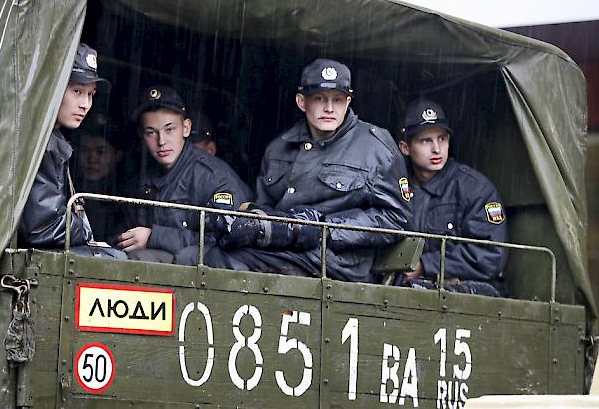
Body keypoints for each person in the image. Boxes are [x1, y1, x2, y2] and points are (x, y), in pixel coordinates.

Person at [204, 58, 412, 282]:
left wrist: (326, 230)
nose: (329, 108)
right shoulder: (280, 148)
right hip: (285, 250)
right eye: (320, 98)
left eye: (338, 99)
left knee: (222, 261)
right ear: (302, 102)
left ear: (348, 102)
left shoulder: (376, 146)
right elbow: (264, 207)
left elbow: (397, 218)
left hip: (338, 261)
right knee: (216, 252)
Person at [114, 85, 253, 263]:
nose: (161, 141)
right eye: (151, 132)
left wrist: (154, 237)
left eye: (169, 129)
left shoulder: (213, 178)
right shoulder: (141, 178)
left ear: (186, 128)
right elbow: (124, 231)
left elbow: (228, 239)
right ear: (141, 135)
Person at [18, 43, 126, 259]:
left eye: (90, 94)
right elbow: (40, 227)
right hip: (31, 254)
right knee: (117, 260)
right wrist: (86, 232)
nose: (85, 104)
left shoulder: (51, 135)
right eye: (77, 91)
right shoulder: (40, 141)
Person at [396, 98, 508, 296]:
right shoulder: (396, 186)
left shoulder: (475, 188)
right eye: (425, 141)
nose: (437, 149)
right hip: (411, 290)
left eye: (442, 138)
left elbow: (490, 256)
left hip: (470, 294)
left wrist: (426, 265)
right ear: (405, 147)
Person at [74, 115, 125, 243]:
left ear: (117, 156)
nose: (92, 159)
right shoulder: (67, 189)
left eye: (101, 152)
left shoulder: (126, 195)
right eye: (85, 150)